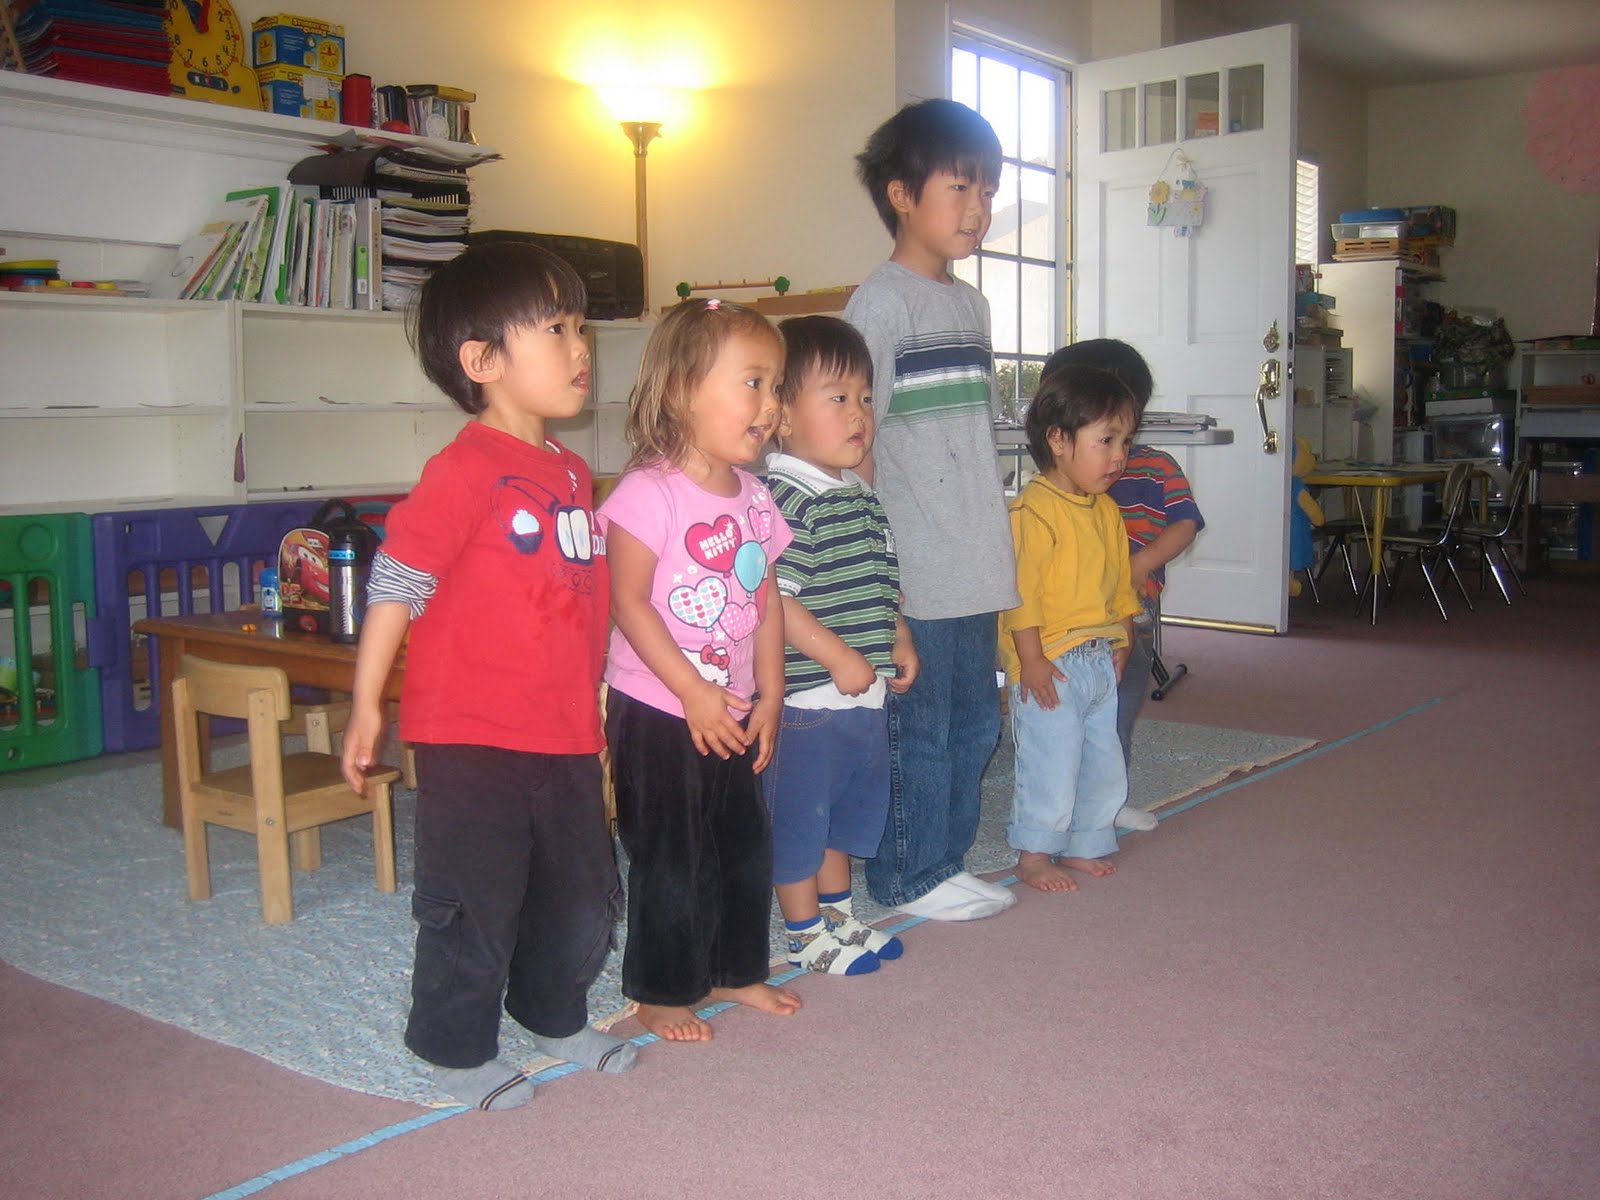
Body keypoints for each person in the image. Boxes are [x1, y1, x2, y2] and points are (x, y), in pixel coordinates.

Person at [339, 242, 631, 1113]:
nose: (581, 347)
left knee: (580, 893)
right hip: (472, 734)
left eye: (582, 327)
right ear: (482, 361)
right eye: (555, 328)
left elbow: (583, 599)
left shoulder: (575, 474)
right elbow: (397, 581)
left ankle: (552, 1012)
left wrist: (604, 688)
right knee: (474, 900)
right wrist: (364, 704)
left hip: (566, 731)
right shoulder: (462, 470)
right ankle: (454, 1048)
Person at [599, 298, 803, 1042]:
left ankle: (734, 967)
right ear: (685, 390)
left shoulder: (754, 496)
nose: (771, 404)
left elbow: (767, 598)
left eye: (776, 386)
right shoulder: (646, 493)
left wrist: (771, 694)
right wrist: (691, 691)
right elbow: (627, 602)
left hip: (736, 707)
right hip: (660, 708)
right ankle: (660, 989)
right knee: (671, 853)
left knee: (742, 845)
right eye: (753, 382)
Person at [844, 97, 1021, 922]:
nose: (979, 209)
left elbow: (973, 443)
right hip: (915, 564)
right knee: (921, 727)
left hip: (976, 556)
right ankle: (910, 874)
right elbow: (854, 440)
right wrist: (877, 573)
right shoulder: (880, 306)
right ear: (901, 194)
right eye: (961, 189)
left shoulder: (972, 308)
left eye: (988, 190)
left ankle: (946, 855)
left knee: (977, 724)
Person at [764, 315, 918, 975]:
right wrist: (836, 655)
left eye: (863, 397)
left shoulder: (857, 494)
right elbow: (774, 599)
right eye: (837, 398)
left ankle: (838, 917)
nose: (859, 413)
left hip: (859, 696)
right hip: (807, 700)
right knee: (802, 820)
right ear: (784, 417)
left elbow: (883, 583)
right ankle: (801, 932)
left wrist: (898, 637)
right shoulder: (787, 500)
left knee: (844, 817)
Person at [1040, 340, 1205, 833]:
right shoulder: (1058, 480)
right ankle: (1063, 803)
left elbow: (1186, 522)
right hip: (1068, 621)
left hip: (1130, 614)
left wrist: (1140, 565)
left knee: (1117, 711)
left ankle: (1105, 802)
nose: (1114, 454)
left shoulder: (1155, 467)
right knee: (1067, 717)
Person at [1000, 364, 1144, 892]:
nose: (1119, 456)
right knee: (1052, 765)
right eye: (1105, 440)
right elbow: (1021, 596)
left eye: (1126, 441)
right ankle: (1035, 852)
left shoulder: (1106, 511)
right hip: (1051, 662)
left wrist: (1124, 634)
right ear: (1058, 440)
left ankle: (1087, 841)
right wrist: (1031, 659)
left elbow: (1119, 581)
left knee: (1102, 760)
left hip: (1099, 657)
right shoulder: (1033, 512)